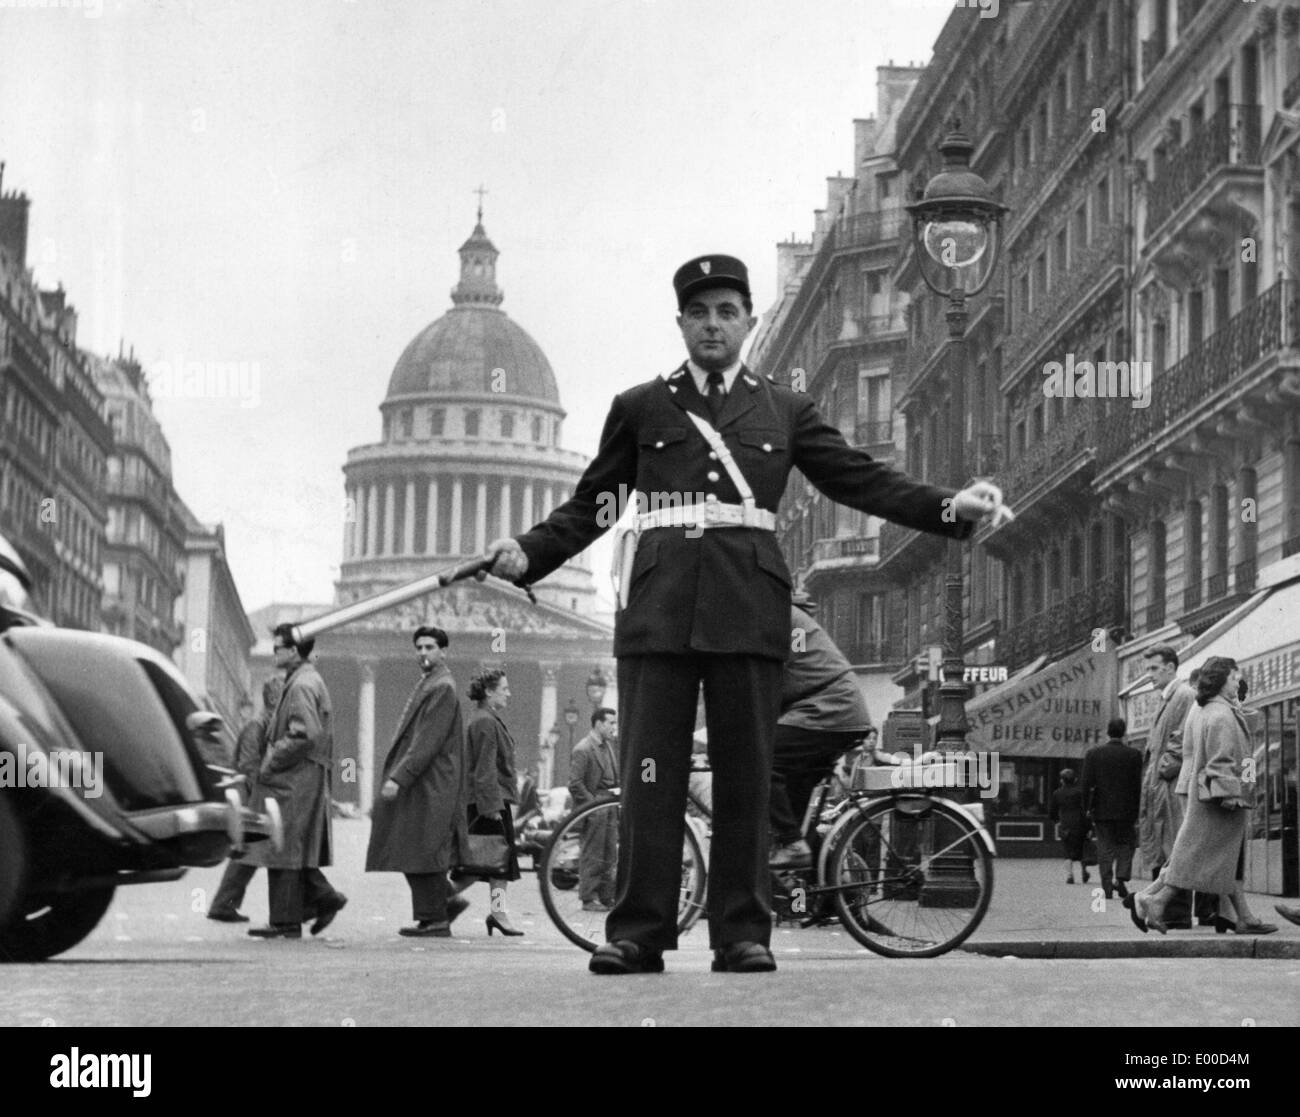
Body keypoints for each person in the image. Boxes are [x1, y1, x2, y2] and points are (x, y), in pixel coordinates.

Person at [482, 253, 1013, 975]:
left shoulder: (784, 409)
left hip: (748, 609)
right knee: (648, 777)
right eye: (698, 312)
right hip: (659, 613)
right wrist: (529, 551)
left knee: (744, 777)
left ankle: (741, 932)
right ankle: (638, 930)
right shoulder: (640, 406)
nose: (712, 325)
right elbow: (597, 505)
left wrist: (950, 507)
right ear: (680, 323)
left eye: (726, 311)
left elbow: (857, 477)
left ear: (748, 321)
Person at [1128, 657, 1277, 935]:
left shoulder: (1205, 709)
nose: (1238, 682)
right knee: (1198, 856)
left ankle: (1241, 916)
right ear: (1222, 681)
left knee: (1208, 856)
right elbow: (1221, 760)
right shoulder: (1220, 714)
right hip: (1218, 798)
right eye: (1234, 678)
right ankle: (1153, 899)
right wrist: (1237, 793)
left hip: (1200, 792)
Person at [365, 626, 470, 937]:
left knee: (420, 847)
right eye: (419, 647)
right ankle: (441, 907)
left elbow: (427, 741)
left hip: (430, 782)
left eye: (429, 647)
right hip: (426, 781)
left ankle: (438, 915)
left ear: (443, 651)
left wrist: (399, 777)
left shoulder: (442, 687)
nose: (423, 653)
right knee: (414, 846)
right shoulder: (433, 683)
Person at [244, 624, 347, 940]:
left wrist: (270, 762)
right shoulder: (304, 679)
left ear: (293, 651)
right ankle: (314, 903)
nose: (274, 652)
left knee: (283, 845)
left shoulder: (301, 684)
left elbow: (304, 732)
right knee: (287, 845)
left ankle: (287, 920)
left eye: (278, 647)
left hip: (294, 776)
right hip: (300, 775)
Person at [769, 597, 872, 869]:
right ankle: (814, 893)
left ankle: (793, 845)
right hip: (834, 710)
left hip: (829, 709)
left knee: (762, 759)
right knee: (794, 811)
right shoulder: (789, 617)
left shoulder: (786, 619)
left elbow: (792, 674)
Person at [451, 667, 524, 936]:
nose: (508, 693)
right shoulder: (485, 721)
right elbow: (484, 768)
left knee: (494, 863)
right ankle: (438, 905)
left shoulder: (484, 718)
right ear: (489, 692)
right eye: (504, 689)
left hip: (489, 799)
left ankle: (498, 913)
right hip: (488, 801)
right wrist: (491, 807)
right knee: (480, 863)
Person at [1137, 644, 1205, 929]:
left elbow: (1181, 739)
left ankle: (1175, 913)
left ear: (1170, 667)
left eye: (1154, 669)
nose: (1149, 675)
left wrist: (1165, 768)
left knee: (1174, 843)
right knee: (1166, 842)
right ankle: (1166, 910)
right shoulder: (1170, 697)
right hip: (1161, 785)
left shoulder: (1184, 695)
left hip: (1170, 785)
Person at [207, 675, 284, 923]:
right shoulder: (257, 726)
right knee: (247, 853)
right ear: (273, 698)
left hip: (253, 793)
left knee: (248, 854)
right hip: (249, 794)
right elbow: (248, 764)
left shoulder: (267, 724)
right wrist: (260, 794)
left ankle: (224, 904)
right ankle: (222, 904)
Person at [1080, 716, 1143, 899]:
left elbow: (1086, 784)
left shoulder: (1094, 754)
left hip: (1101, 809)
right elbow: (1137, 784)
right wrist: (1137, 808)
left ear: (1108, 732)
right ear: (1124, 732)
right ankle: (1121, 878)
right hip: (1127, 809)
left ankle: (1106, 883)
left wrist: (1086, 807)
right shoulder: (1134, 755)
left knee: (1105, 846)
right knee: (1126, 845)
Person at [568, 707, 620, 912]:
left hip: (608, 803)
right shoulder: (583, 748)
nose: (614, 727)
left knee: (609, 854)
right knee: (593, 853)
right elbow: (575, 783)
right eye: (611, 723)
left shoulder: (608, 747)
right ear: (598, 723)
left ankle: (607, 897)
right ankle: (588, 898)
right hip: (595, 805)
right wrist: (592, 805)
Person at [1050, 770, 1089, 884]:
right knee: (1082, 848)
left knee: (1067, 851)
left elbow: (1052, 811)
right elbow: (1085, 809)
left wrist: (1057, 821)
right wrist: (1089, 826)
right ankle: (1084, 870)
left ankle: (1070, 874)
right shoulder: (1080, 792)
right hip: (1080, 823)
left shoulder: (1057, 793)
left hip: (1065, 824)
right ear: (1075, 779)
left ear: (1062, 780)